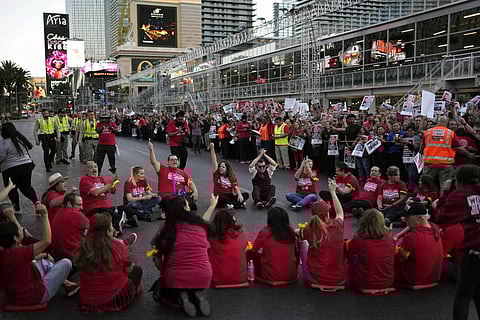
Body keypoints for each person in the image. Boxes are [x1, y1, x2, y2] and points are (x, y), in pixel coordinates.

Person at [150, 195, 218, 317]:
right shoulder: (200, 227)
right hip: (203, 274)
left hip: (176, 276)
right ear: (185, 208)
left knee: (165, 289)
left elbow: (156, 258)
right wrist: (212, 205)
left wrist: (164, 273)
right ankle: (196, 292)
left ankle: (182, 295)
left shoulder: (167, 230)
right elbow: (205, 221)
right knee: (193, 278)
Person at [0, 203, 79, 306]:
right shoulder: (17, 253)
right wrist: (44, 215)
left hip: (15, 295)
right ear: (15, 238)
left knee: (44, 262)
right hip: (36, 295)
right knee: (66, 262)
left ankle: (66, 284)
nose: (21, 230)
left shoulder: (5, 251)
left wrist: (44, 255)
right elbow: (46, 241)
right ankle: (65, 284)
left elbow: (26, 256)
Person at [432, 165, 480, 319]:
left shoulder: (460, 194)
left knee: (463, 296)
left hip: (474, 251)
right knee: (478, 293)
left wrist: (446, 192)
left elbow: (440, 218)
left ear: (458, 181)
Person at [75, 212, 142, 312]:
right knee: (137, 270)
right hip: (112, 298)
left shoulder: (83, 246)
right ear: (106, 231)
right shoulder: (117, 246)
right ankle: (131, 293)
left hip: (88, 299)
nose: (114, 229)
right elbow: (129, 269)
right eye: (111, 227)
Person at [297, 179, 347, 286]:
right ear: (328, 214)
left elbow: (296, 232)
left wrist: (301, 231)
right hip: (340, 278)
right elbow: (339, 212)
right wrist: (333, 192)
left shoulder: (309, 229)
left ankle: (298, 265)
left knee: (301, 240)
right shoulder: (337, 225)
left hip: (316, 277)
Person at [394, 201, 443, 287]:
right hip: (433, 277)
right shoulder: (435, 227)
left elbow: (400, 258)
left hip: (414, 279)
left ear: (419, 218)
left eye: (407, 217)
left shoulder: (412, 237)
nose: (403, 219)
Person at [421, 115, 474, 191]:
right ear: (447, 123)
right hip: (445, 164)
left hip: (429, 163)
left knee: (426, 185)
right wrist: (469, 154)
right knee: (445, 186)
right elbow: (458, 148)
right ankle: (443, 201)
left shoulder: (428, 132)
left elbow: (422, 147)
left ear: (438, 122)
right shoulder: (450, 133)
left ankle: (424, 200)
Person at [247, 207, 298, 283]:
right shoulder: (290, 232)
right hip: (291, 275)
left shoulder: (265, 231)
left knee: (249, 254)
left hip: (271, 276)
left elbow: (253, 250)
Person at [347, 209, 395, 290]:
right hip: (387, 282)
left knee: (353, 258)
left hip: (363, 283)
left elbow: (349, 252)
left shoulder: (358, 239)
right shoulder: (390, 239)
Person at [0, 122, 40, 212]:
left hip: (10, 168)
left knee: (11, 188)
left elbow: (1, 157)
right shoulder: (20, 140)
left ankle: (16, 207)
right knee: (26, 187)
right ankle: (36, 202)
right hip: (26, 166)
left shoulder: (3, 143)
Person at [148, 140, 198, 210]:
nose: (174, 161)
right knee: (174, 202)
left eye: (176, 160)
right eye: (172, 160)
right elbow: (153, 162)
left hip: (180, 196)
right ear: (168, 163)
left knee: (191, 198)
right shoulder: (163, 169)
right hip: (168, 197)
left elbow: (190, 183)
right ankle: (182, 207)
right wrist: (151, 149)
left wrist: (195, 191)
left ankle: (182, 206)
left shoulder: (182, 172)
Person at [79, 161, 123, 232]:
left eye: (95, 167)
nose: (94, 169)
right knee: (108, 213)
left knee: (124, 208)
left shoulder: (101, 179)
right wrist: (108, 184)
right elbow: (96, 193)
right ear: (86, 170)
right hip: (93, 208)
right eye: (91, 168)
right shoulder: (84, 180)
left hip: (106, 206)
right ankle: (117, 225)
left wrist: (113, 184)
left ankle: (139, 218)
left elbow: (112, 191)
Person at [208, 209, 248, 286]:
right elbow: (245, 248)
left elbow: (203, 225)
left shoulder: (213, 236)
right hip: (241, 278)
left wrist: (212, 206)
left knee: (208, 251)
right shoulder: (241, 232)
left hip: (218, 280)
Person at [51, 193, 89, 261]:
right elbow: (95, 226)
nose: (82, 208)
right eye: (79, 205)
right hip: (74, 256)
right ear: (69, 204)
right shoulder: (75, 214)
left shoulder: (59, 212)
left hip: (58, 256)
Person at [210, 143, 249, 209]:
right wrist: (212, 149)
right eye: (220, 166)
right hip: (219, 197)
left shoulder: (231, 176)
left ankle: (231, 205)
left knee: (246, 195)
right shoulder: (217, 175)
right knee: (220, 197)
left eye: (223, 167)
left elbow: (235, 186)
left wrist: (239, 194)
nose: (220, 168)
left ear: (227, 169)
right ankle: (238, 204)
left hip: (229, 195)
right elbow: (214, 161)